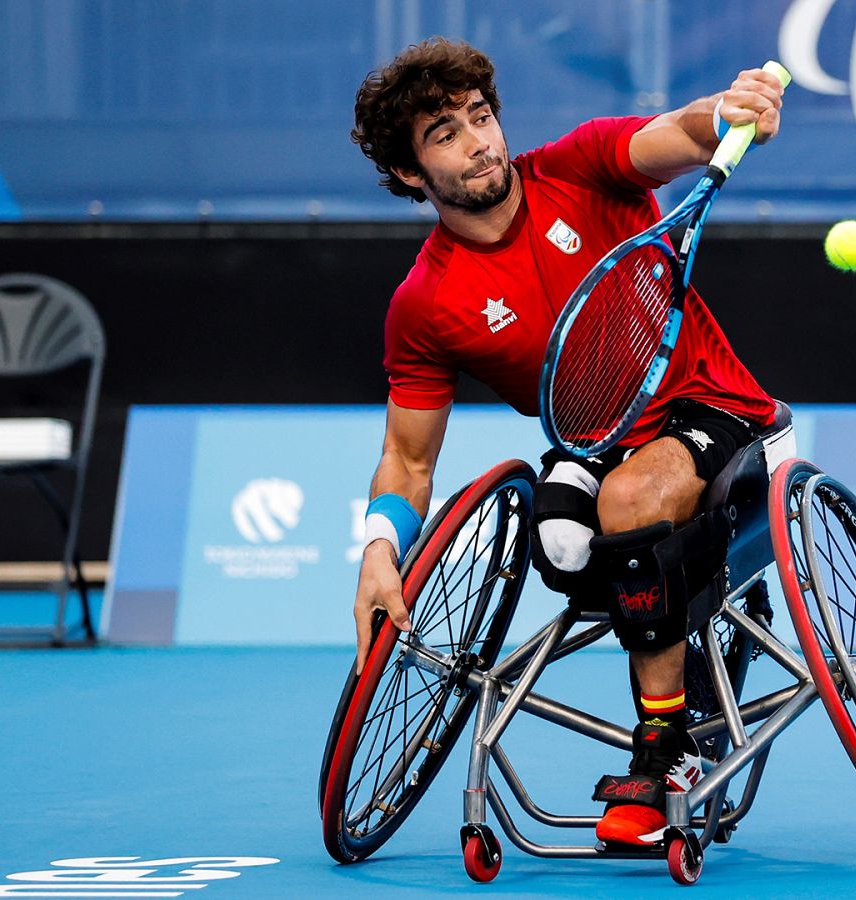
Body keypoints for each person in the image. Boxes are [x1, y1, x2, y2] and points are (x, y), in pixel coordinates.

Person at [348, 38, 784, 848]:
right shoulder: (426, 304)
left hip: (709, 403)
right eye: (445, 134)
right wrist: (379, 550)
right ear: (412, 175)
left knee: (625, 505)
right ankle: (685, 665)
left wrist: (723, 115)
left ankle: (664, 749)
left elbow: (678, 135)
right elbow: (409, 461)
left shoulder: (581, 167)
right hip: (594, 440)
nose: (479, 141)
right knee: (562, 542)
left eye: (481, 118)